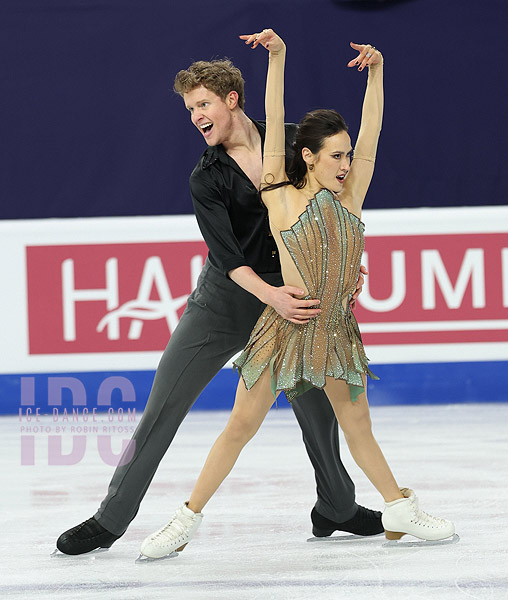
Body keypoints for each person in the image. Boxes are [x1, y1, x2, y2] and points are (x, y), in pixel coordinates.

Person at [55, 36, 381, 557]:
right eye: (190, 109)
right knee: (164, 402)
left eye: (202, 104)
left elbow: (340, 198)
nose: (195, 116)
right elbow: (230, 260)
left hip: (295, 293)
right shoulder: (206, 178)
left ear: (232, 100)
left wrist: (341, 268)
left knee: (316, 400)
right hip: (227, 301)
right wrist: (271, 296)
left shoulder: (296, 141)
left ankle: (336, 505)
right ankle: (112, 517)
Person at [138, 29, 456, 561]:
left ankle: (399, 509)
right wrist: (279, 57)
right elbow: (274, 106)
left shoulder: (351, 193)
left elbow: (373, 130)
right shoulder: (278, 194)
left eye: (348, 155)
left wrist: (377, 73)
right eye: (336, 156)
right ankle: (185, 519)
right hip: (286, 328)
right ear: (307, 156)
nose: (347, 163)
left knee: (360, 428)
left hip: (336, 332)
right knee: (241, 425)